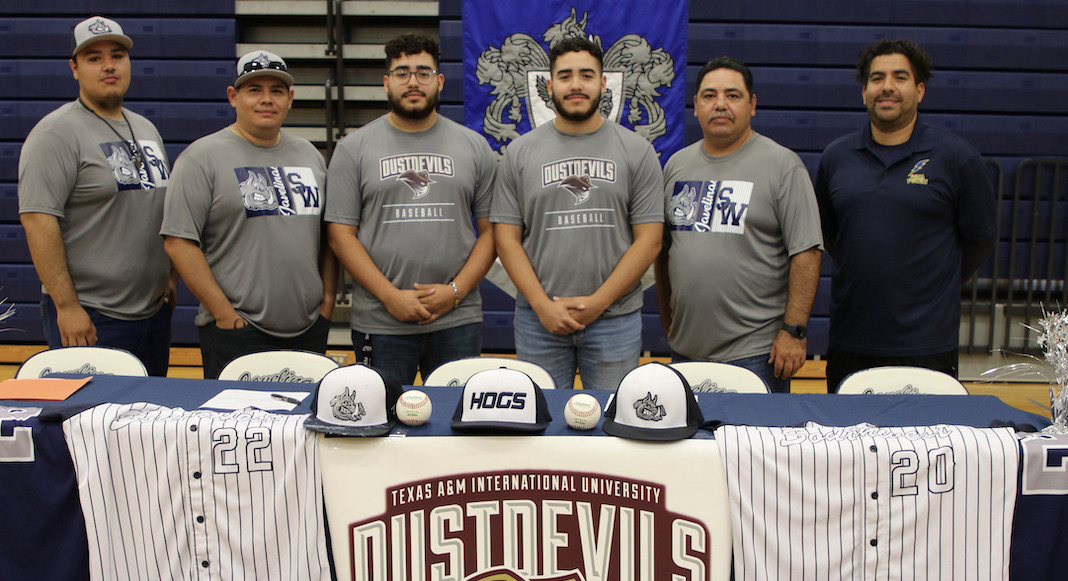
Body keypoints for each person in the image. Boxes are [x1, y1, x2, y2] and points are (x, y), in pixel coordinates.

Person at [815, 39, 997, 391]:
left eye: (900, 77)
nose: (887, 86)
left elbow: (980, 239)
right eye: (877, 78)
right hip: (851, 340)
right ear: (864, 92)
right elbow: (832, 235)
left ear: (920, 90)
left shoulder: (957, 157)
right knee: (847, 429)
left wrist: (933, 281)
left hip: (927, 344)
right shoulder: (836, 157)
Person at [491, 37, 664, 391]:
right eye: (565, 76)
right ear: (549, 85)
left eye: (586, 75)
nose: (575, 85)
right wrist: (542, 306)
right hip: (539, 321)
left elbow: (649, 241)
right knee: (542, 420)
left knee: (612, 418)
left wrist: (598, 303)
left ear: (603, 83)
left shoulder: (637, 150)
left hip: (615, 320)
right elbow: (506, 240)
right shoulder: (519, 153)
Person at [325, 33, 497, 386]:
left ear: (440, 81)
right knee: (381, 415)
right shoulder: (353, 148)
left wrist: (455, 292)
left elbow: (492, 233)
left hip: (457, 318)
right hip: (381, 320)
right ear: (386, 82)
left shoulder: (474, 147)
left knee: (456, 417)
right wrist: (390, 296)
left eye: (423, 72)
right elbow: (341, 236)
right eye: (402, 73)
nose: (413, 82)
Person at [161, 50, 337, 379]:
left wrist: (327, 302)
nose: (266, 99)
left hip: (308, 328)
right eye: (254, 90)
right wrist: (224, 314)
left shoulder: (310, 156)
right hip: (236, 331)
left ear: (290, 98)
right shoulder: (201, 158)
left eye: (276, 90)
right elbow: (178, 242)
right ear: (233, 96)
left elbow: (329, 239)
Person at [654, 56, 823, 394]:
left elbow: (806, 253)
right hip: (686, 352)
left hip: (757, 356)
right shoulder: (676, 166)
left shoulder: (783, 166)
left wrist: (794, 331)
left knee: (753, 433)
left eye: (732, 95)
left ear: (752, 104)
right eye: (709, 96)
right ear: (696, 106)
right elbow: (664, 250)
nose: (720, 104)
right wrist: (668, 320)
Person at [18, 16, 174, 376]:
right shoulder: (55, 133)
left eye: (117, 56)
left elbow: (156, 209)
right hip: (91, 315)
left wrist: (168, 276)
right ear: (74, 68)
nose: (109, 66)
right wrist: (66, 306)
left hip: (152, 313)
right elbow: (38, 220)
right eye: (94, 58)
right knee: (89, 413)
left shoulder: (145, 128)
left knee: (147, 412)